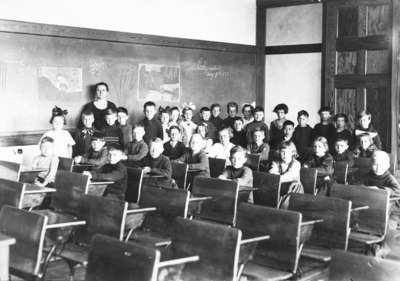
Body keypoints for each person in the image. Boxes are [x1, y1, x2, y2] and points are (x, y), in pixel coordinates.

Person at [363, 151, 400, 229]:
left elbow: (397, 191)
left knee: (390, 225)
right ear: (370, 164)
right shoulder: (368, 175)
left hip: (391, 208)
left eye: (382, 165)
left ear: (387, 166)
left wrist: (381, 190)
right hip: (374, 205)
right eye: (375, 164)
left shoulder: (389, 178)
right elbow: (360, 185)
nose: (378, 168)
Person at [24, 137, 59, 209]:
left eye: (49, 147)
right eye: (43, 147)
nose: (46, 150)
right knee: (25, 189)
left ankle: (35, 208)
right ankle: (26, 207)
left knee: (38, 194)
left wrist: (43, 184)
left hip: (49, 182)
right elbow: (32, 172)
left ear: (53, 149)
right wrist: (34, 180)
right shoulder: (36, 158)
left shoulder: (54, 158)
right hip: (38, 179)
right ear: (40, 148)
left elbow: (51, 174)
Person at [269, 141, 304, 208]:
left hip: (294, 189)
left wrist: (277, 176)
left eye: (287, 152)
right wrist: (276, 176)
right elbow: (271, 173)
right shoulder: (276, 162)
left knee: (285, 205)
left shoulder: (296, 163)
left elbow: (290, 176)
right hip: (280, 187)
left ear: (292, 153)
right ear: (279, 152)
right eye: (282, 152)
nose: (285, 154)